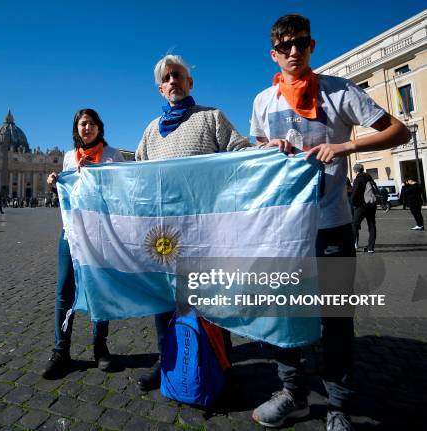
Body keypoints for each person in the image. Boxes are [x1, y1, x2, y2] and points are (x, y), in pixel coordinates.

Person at [250, 14, 410, 430]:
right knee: (284, 312)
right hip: (282, 230)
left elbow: (399, 132)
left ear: (311, 46)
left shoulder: (341, 92)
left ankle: (338, 403)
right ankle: (292, 393)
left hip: (332, 224)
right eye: (283, 46)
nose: (292, 51)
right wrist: (272, 145)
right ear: (274, 53)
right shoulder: (262, 101)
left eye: (299, 43)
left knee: (335, 319)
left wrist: (345, 145)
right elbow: (257, 148)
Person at [135, 54, 251, 391]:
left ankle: (219, 363)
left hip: (205, 230)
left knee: (210, 299)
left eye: (178, 76)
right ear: (160, 89)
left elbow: (239, 150)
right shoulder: (150, 131)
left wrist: (267, 150)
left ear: (190, 83)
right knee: (163, 301)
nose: (173, 81)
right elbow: (137, 175)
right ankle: (167, 360)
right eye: (167, 78)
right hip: (163, 232)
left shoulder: (212, 117)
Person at [41, 108, 125, 380]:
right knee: (64, 289)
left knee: (99, 288)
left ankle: (100, 347)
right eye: (81, 124)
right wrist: (56, 182)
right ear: (76, 129)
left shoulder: (113, 155)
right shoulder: (68, 157)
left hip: (100, 232)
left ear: (99, 127)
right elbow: (70, 194)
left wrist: (96, 174)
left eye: (91, 123)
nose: (86, 128)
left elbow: (121, 192)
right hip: (72, 232)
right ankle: (60, 350)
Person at [350, 164, 378, 252]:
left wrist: (354, 203)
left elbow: (354, 194)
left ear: (355, 170)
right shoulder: (369, 177)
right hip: (371, 204)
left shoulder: (358, 179)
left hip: (361, 206)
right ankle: (371, 247)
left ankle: (351, 247)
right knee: (372, 225)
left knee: (354, 225)